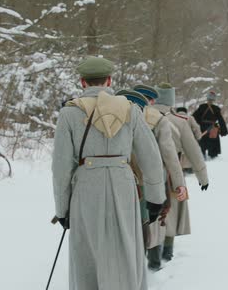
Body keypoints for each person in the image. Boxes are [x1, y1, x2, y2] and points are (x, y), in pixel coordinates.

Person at [52, 56, 166, 290]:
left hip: (86, 185)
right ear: (110, 80)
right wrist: (156, 199)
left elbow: (61, 167)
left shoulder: (69, 114)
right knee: (124, 247)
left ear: (83, 82)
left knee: (87, 250)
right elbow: (151, 158)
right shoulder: (131, 110)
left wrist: (62, 209)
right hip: (123, 184)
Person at [117, 89, 188, 271]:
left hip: (121, 180)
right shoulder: (158, 119)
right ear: (149, 100)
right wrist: (179, 183)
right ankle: (154, 264)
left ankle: (131, 265)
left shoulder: (116, 114)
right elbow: (169, 155)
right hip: (152, 179)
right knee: (154, 222)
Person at [150, 83, 210, 263]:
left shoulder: (144, 115)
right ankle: (167, 251)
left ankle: (152, 254)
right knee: (171, 212)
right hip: (172, 173)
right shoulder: (179, 121)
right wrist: (203, 177)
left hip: (145, 173)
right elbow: (194, 152)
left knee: (151, 212)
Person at [193, 91, 228, 159]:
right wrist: (224, 131)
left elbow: (194, 117)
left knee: (202, 141)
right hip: (213, 128)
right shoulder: (216, 109)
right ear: (214, 99)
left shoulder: (202, 107)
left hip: (202, 127)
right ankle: (213, 155)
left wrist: (195, 126)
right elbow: (221, 120)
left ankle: (202, 155)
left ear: (207, 98)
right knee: (213, 141)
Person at [176, 107, 201, 174]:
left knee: (178, 153)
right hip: (188, 138)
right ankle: (188, 168)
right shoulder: (190, 118)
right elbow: (196, 128)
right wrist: (198, 137)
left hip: (176, 138)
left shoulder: (173, 117)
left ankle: (179, 167)